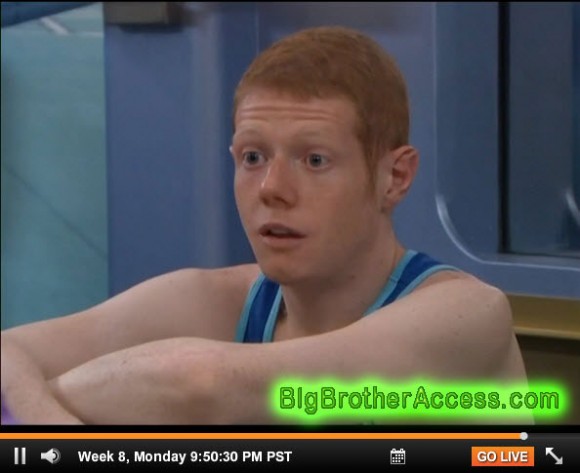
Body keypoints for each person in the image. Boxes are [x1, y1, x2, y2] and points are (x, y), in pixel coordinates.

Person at [1, 26, 530, 425]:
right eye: (253, 157)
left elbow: (199, 385)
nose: (272, 188)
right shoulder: (221, 300)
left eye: (315, 160)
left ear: (395, 177)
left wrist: (31, 412)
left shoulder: (466, 315)